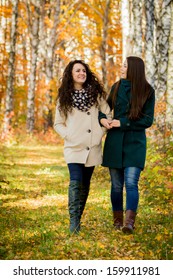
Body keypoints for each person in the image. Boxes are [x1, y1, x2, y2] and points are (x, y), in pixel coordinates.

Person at [99, 56, 155, 234]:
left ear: (133, 69)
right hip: (115, 142)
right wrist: (102, 119)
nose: (121, 68)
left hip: (135, 143)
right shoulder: (116, 87)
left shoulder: (147, 90)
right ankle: (117, 221)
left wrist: (123, 123)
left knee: (131, 183)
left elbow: (147, 120)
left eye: (124, 66)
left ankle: (129, 223)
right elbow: (105, 109)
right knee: (116, 185)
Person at [54, 59, 110, 234]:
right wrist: (69, 135)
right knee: (75, 182)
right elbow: (57, 123)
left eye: (84, 71)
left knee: (85, 184)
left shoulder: (96, 94)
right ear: (71, 74)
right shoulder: (64, 97)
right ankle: (73, 223)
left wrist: (100, 131)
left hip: (92, 146)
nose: (82, 74)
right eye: (78, 71)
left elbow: (108, 113)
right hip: (73, 147)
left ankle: (78, 219)